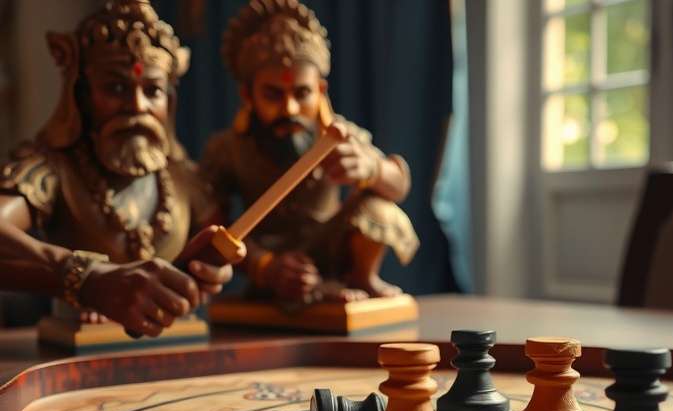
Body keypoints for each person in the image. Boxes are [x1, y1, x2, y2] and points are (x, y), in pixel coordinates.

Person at [0, 0, 242, 337]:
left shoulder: (184, 177)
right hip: (76, 348)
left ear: (169, 102)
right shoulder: (52, 168)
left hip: (177, 344)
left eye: (152, 90)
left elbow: (222, 242)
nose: (137, 106)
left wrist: (213, 270)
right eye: (115, 88)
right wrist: (85, 278)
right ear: (82, 96)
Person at [201, 0, 419, 304]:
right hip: (268, 259)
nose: (289, 109)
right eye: (273, 94)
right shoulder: (226, 149)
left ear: (320, 91)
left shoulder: (339, 135)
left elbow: (399, 186)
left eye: (301, 93)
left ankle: (362, 278)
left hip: (330, 249)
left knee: (380, 207)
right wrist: (266, 266)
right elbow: (211, 229)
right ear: (247, 95)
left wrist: (373, 169)